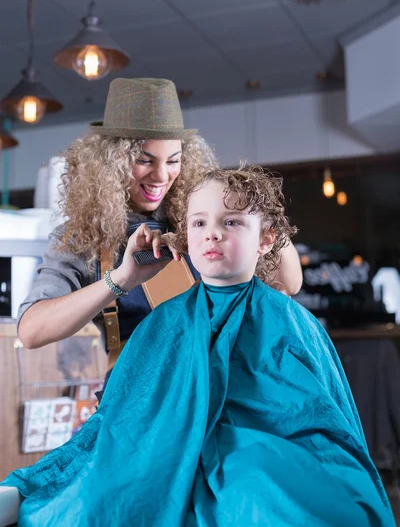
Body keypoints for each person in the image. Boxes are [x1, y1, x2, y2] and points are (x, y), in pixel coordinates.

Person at [0, 165, 394, 527]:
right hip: (162, 438)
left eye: (232, 222)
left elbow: (313, 417)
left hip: (261, 445)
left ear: (266, 239)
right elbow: (125, 412)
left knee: (270, 502)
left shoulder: (290, 321)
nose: (213, 233)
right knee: (95, 500)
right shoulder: (165, 321)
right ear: (185, 237)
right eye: (200, 222)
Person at [16, 77, 302, 370]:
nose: (162, 176)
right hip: (138, 402)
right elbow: (31, 331)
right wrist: (120, 280)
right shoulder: (83, 236)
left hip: (215, 390)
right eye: (145, 160)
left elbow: (289, 282)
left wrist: (252, 210)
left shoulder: (199, 217)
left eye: (173, 161)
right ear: (111, 161)